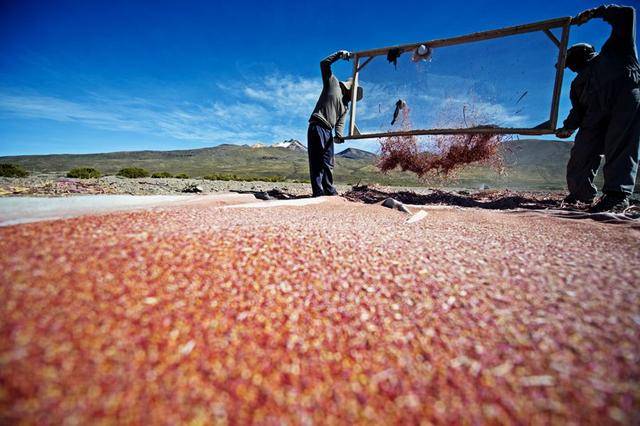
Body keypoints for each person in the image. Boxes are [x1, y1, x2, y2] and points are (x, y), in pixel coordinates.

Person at [555, 4, 640, 212]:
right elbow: (578, 110)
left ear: (580, 55)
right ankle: (580, 194)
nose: (570, 68)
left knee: (620, 147)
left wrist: (597, 12)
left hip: (624, 107)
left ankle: (616, 196)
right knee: (581, 154)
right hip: (593, 119)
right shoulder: (577, 84)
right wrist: (568, 127)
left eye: (570, 62)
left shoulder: (616, 51)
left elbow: (627, 14)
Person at [307, 50, 363, 197]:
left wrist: (339, 136)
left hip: (327, 131)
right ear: (351, 88)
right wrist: (339, 55)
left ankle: (328, 191)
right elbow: (324, 63)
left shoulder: (346, 106)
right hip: (317, 125)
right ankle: (319, 193)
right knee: (316, 163)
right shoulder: (332, 82)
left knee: (327, 162)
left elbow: (340, 124)